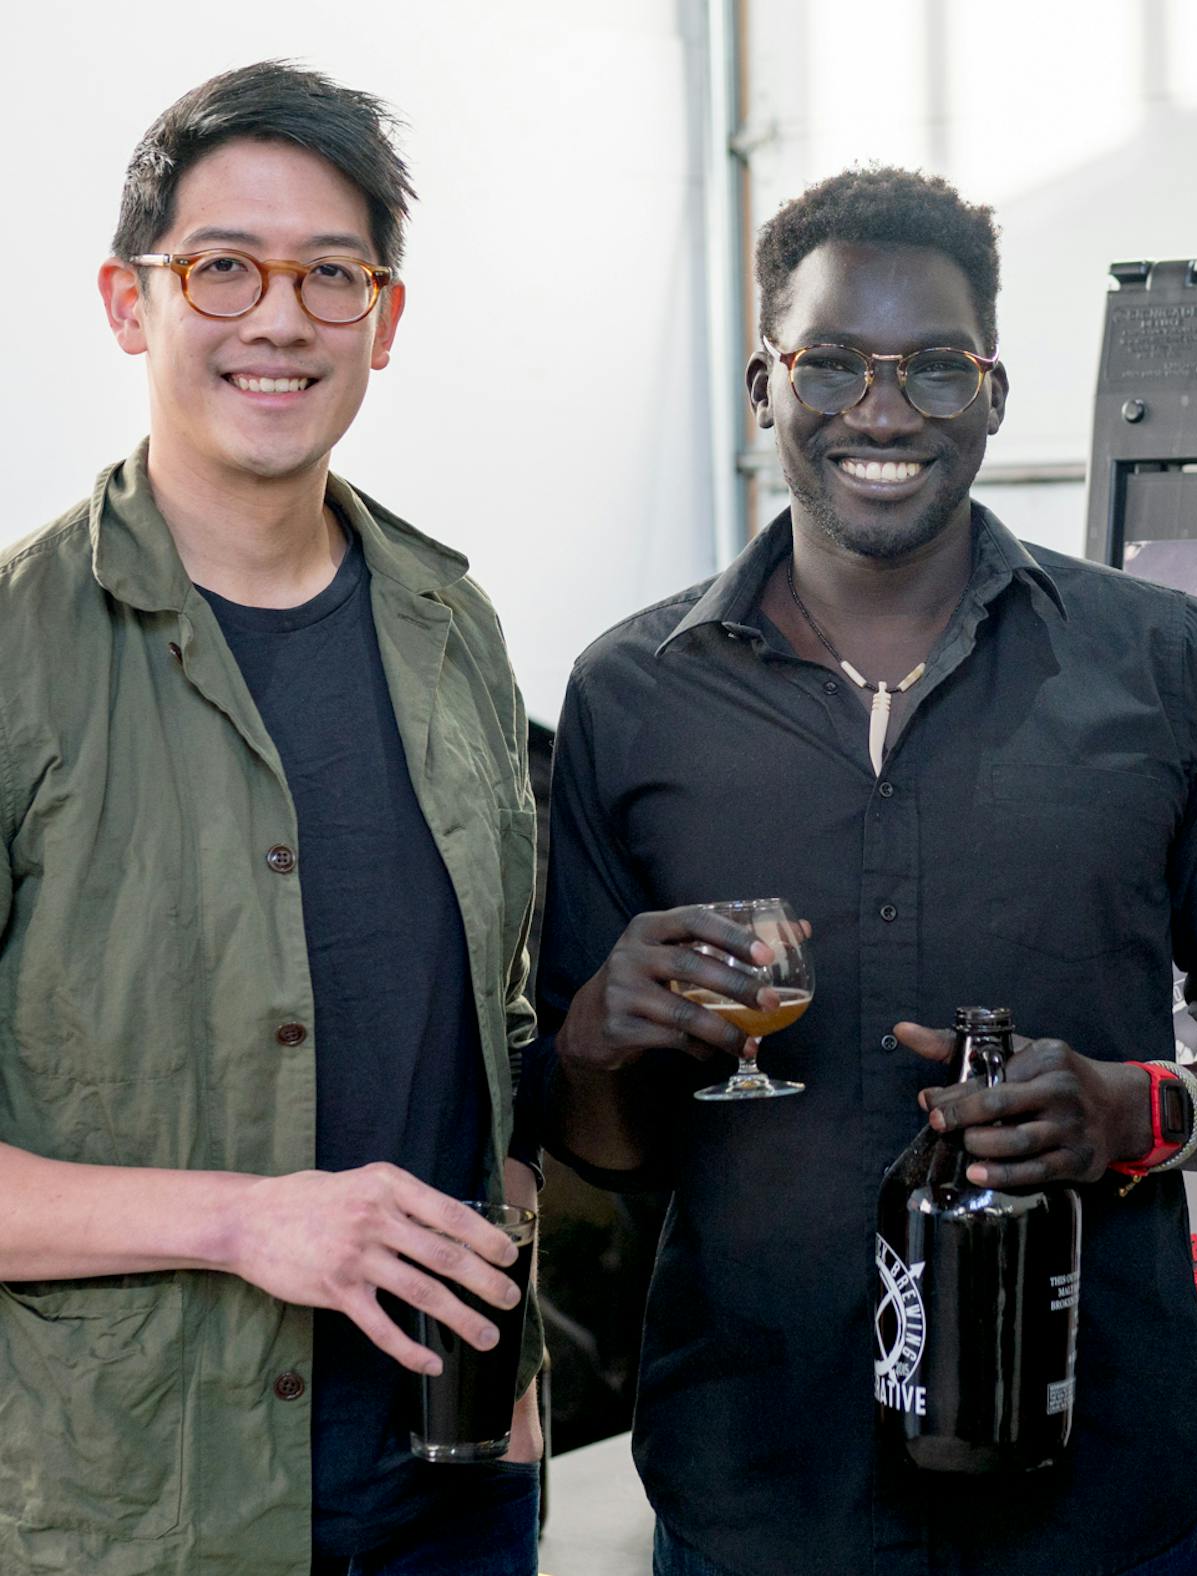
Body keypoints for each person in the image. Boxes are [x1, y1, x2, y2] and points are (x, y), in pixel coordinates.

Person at [537, 166, 1197, 1576]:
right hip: (755, 1504)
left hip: (1099, 1503)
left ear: (993, 393)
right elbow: (601, 1142)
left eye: (933, 368)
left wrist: (1137, 1111)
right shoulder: (631, 695)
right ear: (764, 383)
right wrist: (600, 1040)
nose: (882, 409)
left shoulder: (1173, 669)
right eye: (834, 363)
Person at [0, 62, 544, 1576]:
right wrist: (247, 1223)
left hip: (452, 1502)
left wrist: (515, 1359)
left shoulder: (455, 629)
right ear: (131, 302)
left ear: (385, 316)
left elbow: (489, 1035)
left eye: (331, 274)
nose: (280, 318)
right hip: (140, 1517)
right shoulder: (17, 654)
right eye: (222, 268)